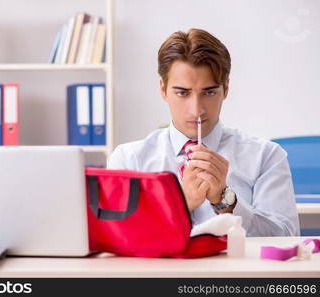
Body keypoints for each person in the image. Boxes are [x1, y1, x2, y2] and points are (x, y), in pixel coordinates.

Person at [107, 28, 300, 236]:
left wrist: (226, 200)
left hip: (237, 269)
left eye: (209, 92)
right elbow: (117, 238)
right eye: (182, 93)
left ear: (225, 89)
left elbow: (286, 239)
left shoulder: (266, 156)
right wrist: (180, 205)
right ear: (163, 90)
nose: (197, 110)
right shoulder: (128, 160)